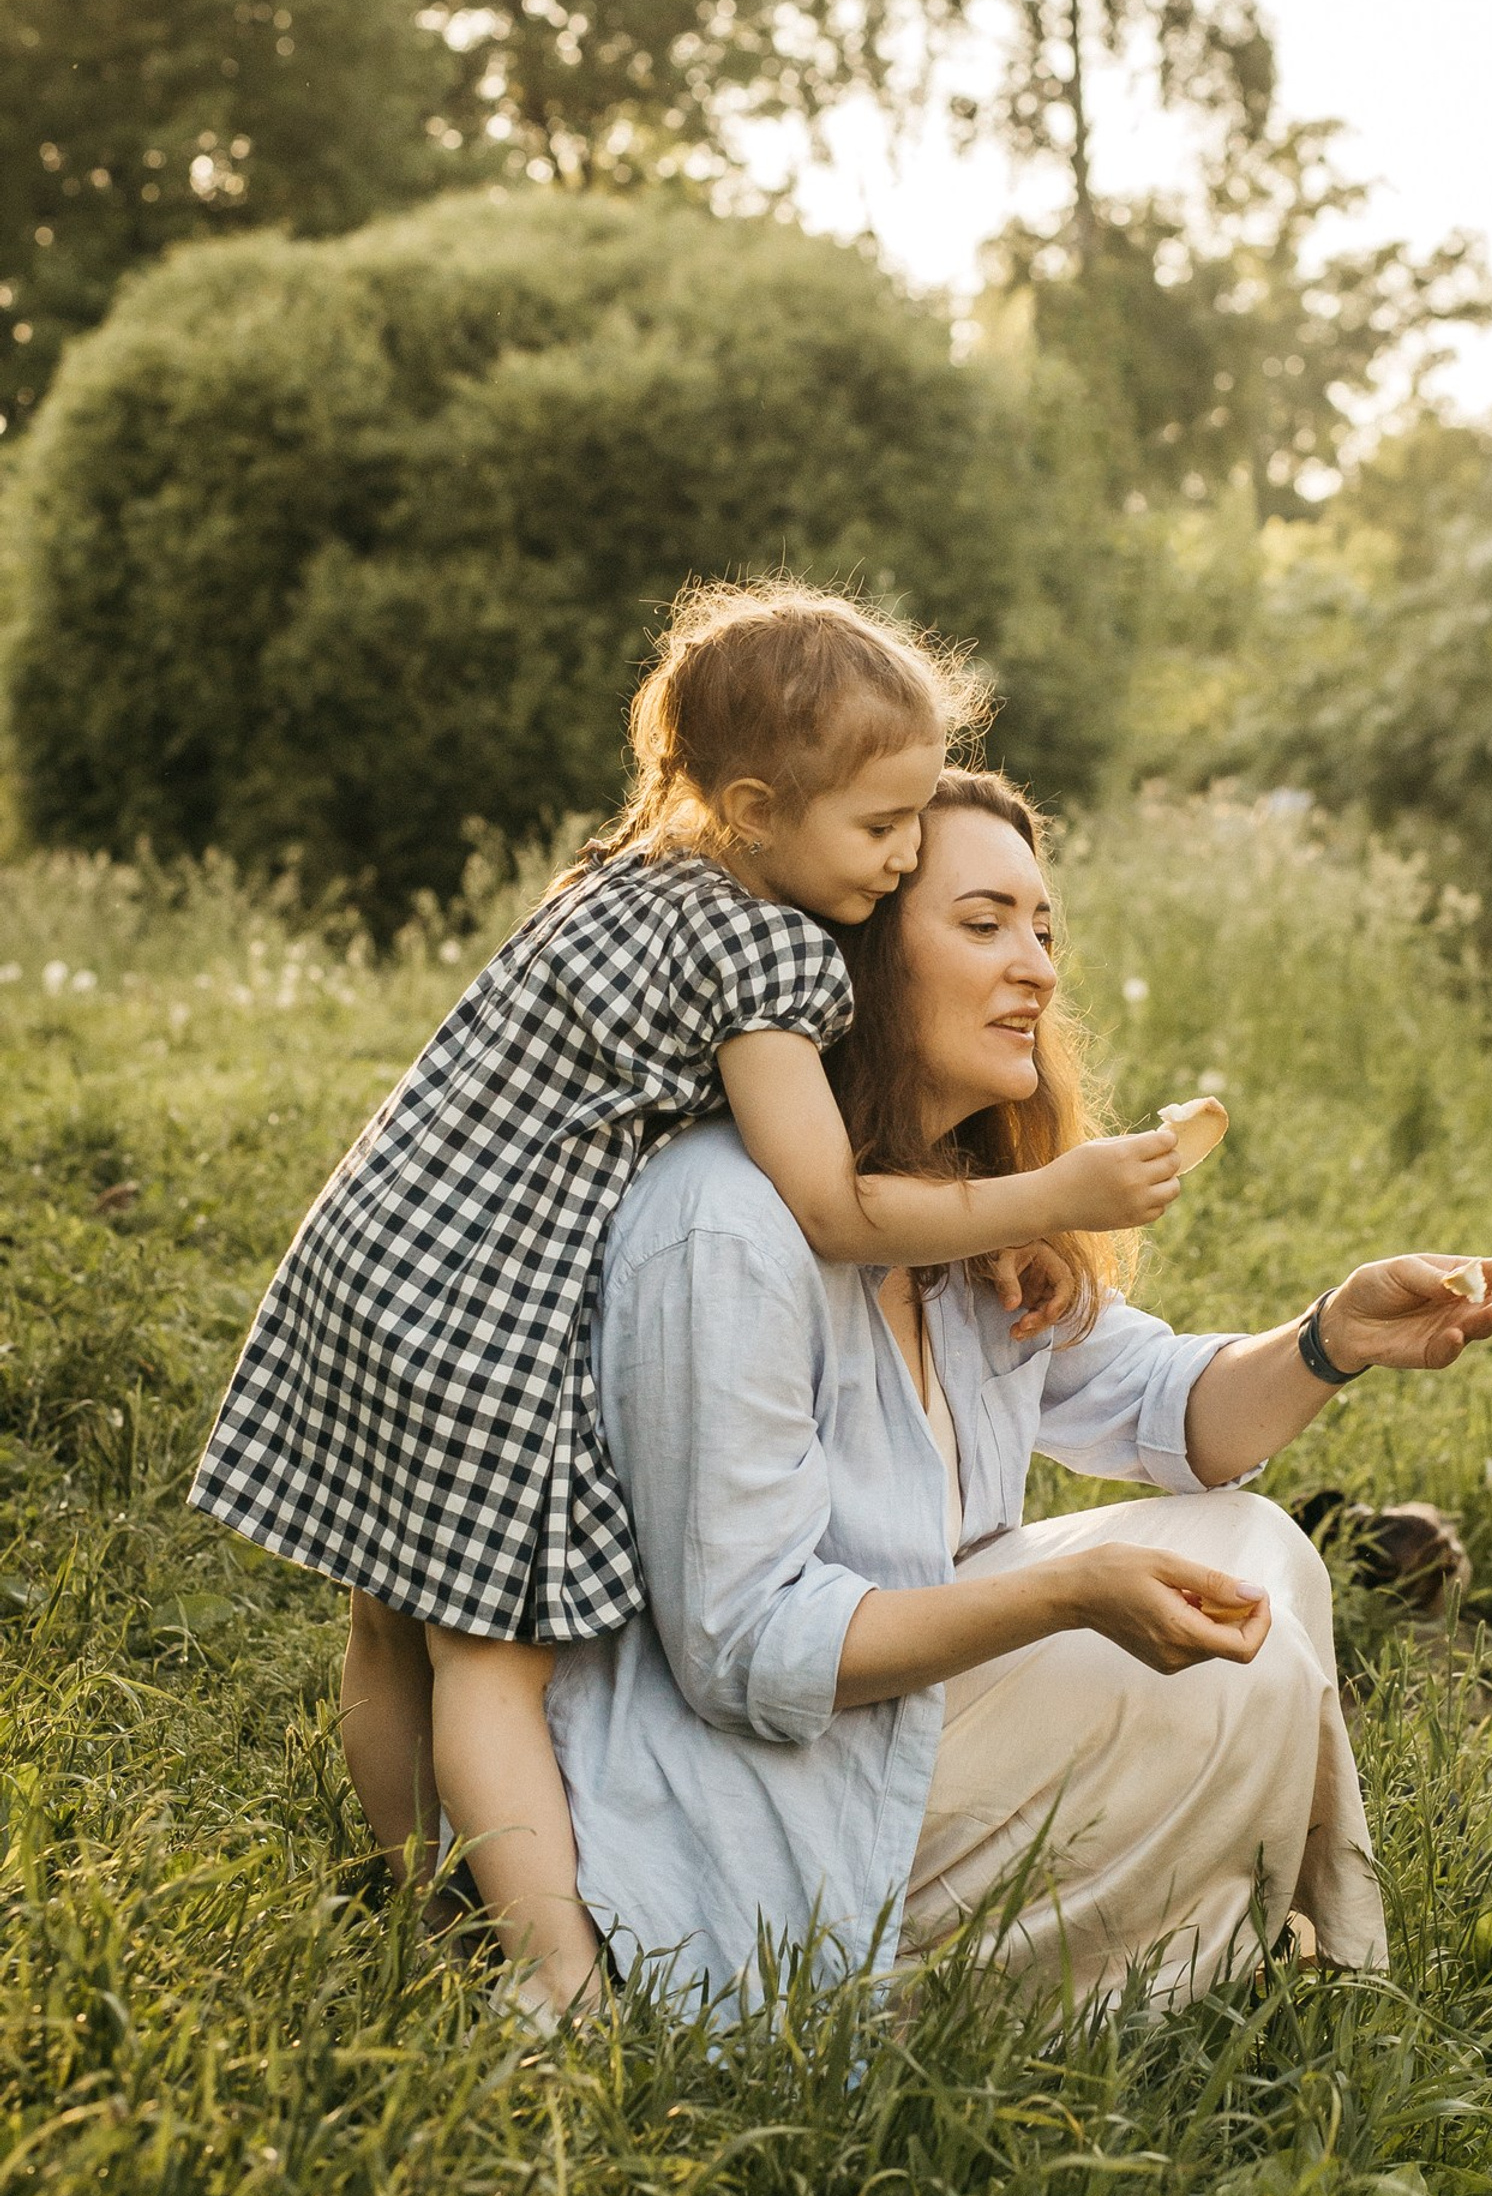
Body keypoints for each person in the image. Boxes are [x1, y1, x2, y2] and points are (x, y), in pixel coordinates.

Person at [189, 585, 1189, 2022]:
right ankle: (549, 1987)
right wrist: (1052, 1196)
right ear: (757, 807)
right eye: (882, 829)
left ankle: (417, 1920)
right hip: (488, 1308)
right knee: (490, 1653)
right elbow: (833, 1206)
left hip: (375, 1255)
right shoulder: (765, 954)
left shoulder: (608, 881)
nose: (902, 857)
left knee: (386, 1621)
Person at [548, 770, 1492, 2008]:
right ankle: (1152, 1964)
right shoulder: (727, 1224)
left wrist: (1333, 1336)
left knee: (1258, 1547)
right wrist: (1066, 1596)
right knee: (1251, 1667)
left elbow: (1177, 1415)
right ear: (857, 957)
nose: (1038, 969)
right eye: (982, 924)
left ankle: (1273, 1924)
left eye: (1045, 929)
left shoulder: (970, 1210)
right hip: (766, 1787)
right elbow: (746, 1651)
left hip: (908, 1714)